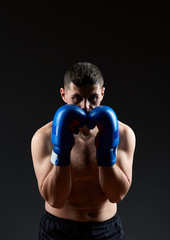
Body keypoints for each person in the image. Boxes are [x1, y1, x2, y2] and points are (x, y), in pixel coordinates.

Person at [31, 62, 136, 240]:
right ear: (64, 95)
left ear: (102, 93)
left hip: (107, 231)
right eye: (77, 98)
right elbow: (55, 199)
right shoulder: (43, 137)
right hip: (58, 232)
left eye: (93, 98)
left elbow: (116, 194)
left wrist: (106, 151)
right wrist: (61, 151)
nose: (86, 106)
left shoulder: (123, 133)